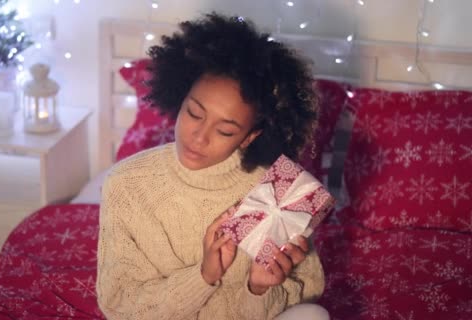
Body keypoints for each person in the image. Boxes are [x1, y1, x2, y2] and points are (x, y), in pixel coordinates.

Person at [96, 12, 327, 320]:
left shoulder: (274, 190)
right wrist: (203, 276)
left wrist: (258, 288)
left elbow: (308, 288)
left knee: (313, 314)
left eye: (225, 131)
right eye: (194, 113)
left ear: (249, 137)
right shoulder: (125, 184)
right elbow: (118, 304)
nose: (200, 138)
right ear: (180, 99)